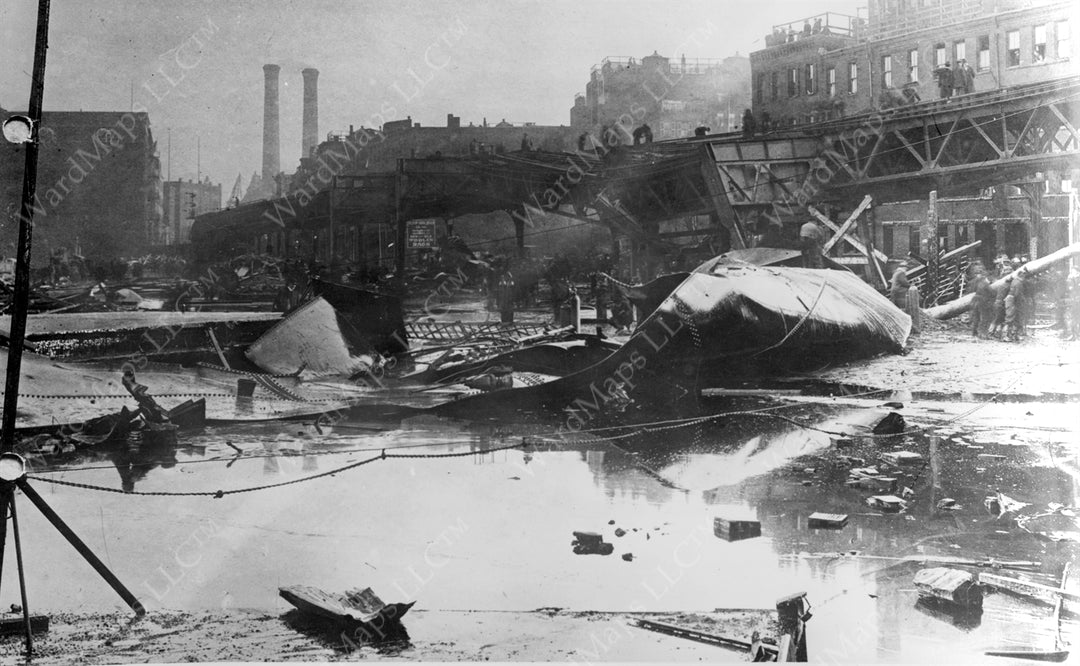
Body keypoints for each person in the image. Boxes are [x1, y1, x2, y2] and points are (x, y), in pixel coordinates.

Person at [969, 262, 994, 338]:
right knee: (985, 318)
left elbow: (972, 290)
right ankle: (982, 334)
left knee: (976, 317)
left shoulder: (975, 282)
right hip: (982, 302)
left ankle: (974, 333)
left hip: (975, 300)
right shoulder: (985, 284)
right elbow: (992, 292)